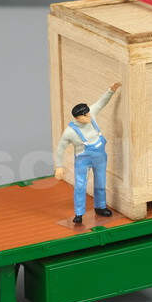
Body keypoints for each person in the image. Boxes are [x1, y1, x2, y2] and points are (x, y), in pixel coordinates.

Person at [54, 82, 121, 224]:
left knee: (101, 182)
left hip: (100, 157)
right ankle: (79, 213)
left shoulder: (92, 115)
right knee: (80, 186)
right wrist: (59, 166)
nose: (88, 116)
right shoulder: (70, 132)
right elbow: (60, 148)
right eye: (85, 115)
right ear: (77, 118)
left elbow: (101, 102)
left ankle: (100, 207)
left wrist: (111, 90)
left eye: (88, 113)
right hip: (82, 160)